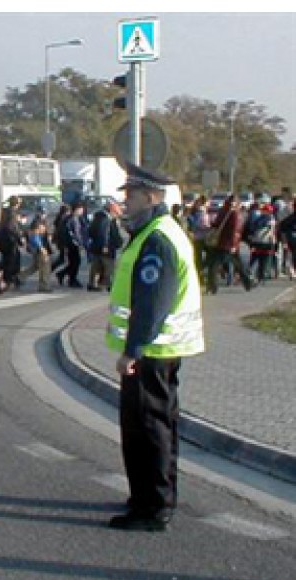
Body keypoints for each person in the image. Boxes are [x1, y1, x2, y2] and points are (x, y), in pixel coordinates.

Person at [106, 163, 205, 532]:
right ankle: (150, 495)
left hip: (152, 353)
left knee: (147, 430)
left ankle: (152, 507)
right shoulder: (156, 231)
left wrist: (132, 351)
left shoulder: (156, 239)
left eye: (130, 196)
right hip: (158, 352)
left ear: (151, 197)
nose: (124, 202)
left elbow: (151, 303)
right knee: (156, 426)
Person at [204, 195, 255, 294]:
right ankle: (248, 283)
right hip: (227, 243)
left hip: (224, 244)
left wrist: (232, 244)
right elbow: (235, 230)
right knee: (238, 265)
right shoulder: (234, 213)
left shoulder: (227, 213)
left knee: (214, 266)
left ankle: (212, 287)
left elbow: (234, 230)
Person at [86, 200, 124, 291]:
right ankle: (108, 284)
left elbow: (91, 232)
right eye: (116, 213)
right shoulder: (107, 220)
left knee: (96, 266)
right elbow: (105, 234)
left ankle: (93, 284)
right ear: (112, 211)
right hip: (106, 247)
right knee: (109, 266)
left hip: (96, 246)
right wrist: (105, 245)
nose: (117, 215)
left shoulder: (97, 217)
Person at [55, 202, 88, 288]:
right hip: (72, 244)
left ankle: (63, 274)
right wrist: (80, 243)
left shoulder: (70, 218)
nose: (82, 211)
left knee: (74, 262)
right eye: (81, 209)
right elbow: (76, 233)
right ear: (77, 209)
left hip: (69, 243)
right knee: (75, 262)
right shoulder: (73, 219)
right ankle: (72, 279)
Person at [18, 216, 52, 293]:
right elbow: (36, 239)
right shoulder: (36, 228)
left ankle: (20, 277)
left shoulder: (36, 227)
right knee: (45, 268)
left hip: (38, 250)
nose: (43, 228)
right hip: (40, 251)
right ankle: (44, 286)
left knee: (36, 266)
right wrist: (42, 249)